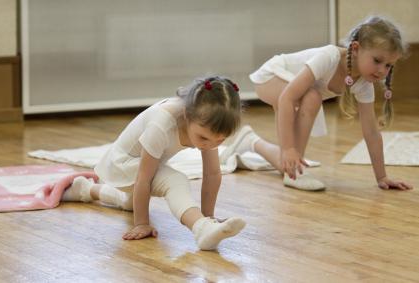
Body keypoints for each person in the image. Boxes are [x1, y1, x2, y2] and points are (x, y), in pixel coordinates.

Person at [61, 75, 246, 250]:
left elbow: (212, 174)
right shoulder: (161, 123)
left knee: (131, 204)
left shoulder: (207, 125)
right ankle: (200, 229)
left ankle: (85, 189)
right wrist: (142, 224)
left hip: (140, 166)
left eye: (220, 141)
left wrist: (210, 216)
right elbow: (143, 179)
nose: (210, 145)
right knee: (175, 181)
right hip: (122, 163)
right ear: (187, 116)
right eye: (203, 138)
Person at [232, 16, 413, 191]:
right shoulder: (329, 57)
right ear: (356, 48)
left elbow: (371, 132)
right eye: (377, 61)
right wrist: (289, 148)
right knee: (312, 97)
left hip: (292, 91)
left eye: (388, 65)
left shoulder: (364, 83)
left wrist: (381, 177)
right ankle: (295, 174)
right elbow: (287, 97)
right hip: (271, 76)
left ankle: (251, 141)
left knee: (286, 162)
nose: (382, 70)